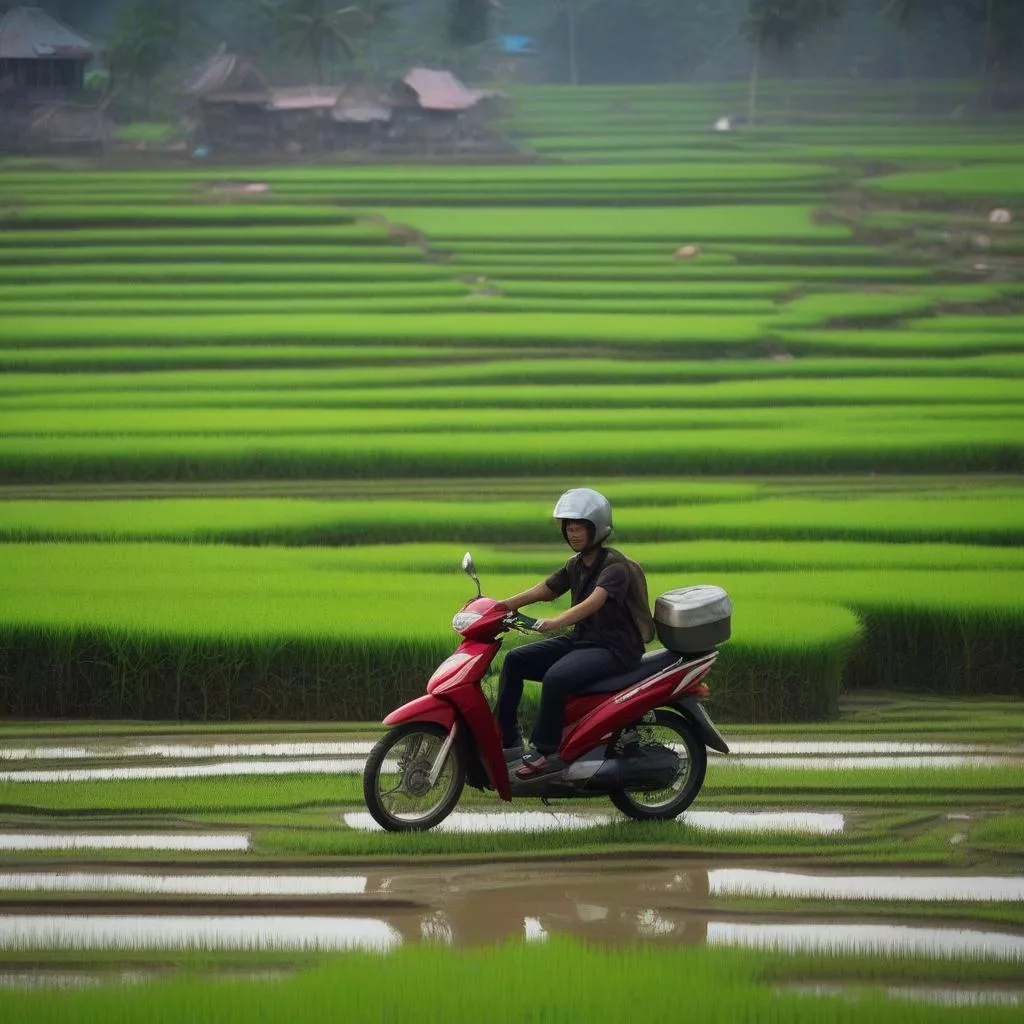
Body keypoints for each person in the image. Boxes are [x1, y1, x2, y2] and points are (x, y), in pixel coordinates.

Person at [496, 488, 645, 780]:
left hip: (614, 649)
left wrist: (557, 621)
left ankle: (546, 753)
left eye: (580, 528)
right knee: (514, 660)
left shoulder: (615, 566)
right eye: (569, 528)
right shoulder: (575, 565)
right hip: (584, 642)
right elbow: (546, 589)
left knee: (556, 678)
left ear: (597, 529)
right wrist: (502, 605)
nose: (573, 534)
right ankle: (508, 741)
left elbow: (596, 601)